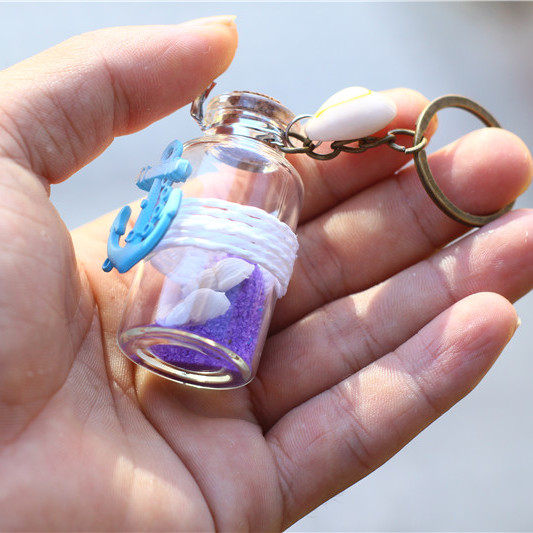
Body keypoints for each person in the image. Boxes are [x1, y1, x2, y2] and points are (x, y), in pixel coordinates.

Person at [0, 15, 531, 531]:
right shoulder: (203, 154)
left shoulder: (282, 178)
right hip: (149, 334)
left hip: (223, 354)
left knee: (227, 282)